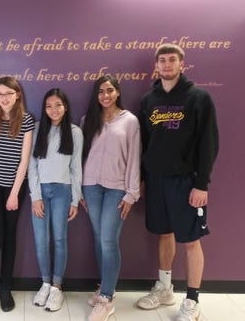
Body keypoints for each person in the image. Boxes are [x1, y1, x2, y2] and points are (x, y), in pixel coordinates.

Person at [136, 43, 219, 321]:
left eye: (172, 60)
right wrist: (144, 178)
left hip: (186, 181)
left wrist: (202, 184)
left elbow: (209, 143)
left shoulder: (198, 97)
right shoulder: (149, 100)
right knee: (164, 233)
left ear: (182, 64)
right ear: (156, 66)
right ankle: (165, 288)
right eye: (162, 60)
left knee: (192, 240)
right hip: (156, 179)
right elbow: (146, 142)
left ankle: (192, 300)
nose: (167, 64)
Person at [81, 74, 141, 321]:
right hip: (91, 188)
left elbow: (135, 157)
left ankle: (107, 297)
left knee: (108, 240)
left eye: (109, 91)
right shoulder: (88, 120)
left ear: (117, 92)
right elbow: (80, 157)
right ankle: (105, 285)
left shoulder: (130, 121)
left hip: (117, 188)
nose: (105, 96)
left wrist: (131, 194)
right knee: (98, 238)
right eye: (100, 92)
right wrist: (79, 190)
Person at [0, 76, 34, 313]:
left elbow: (24, 161)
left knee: (10, 237)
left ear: (17, 95)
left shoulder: (27, 120)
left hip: (14, 188)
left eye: (8, 94)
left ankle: (5, 288)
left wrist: (14, 193)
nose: (4, 98)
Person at [28, 88, 83, 312]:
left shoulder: (75, 132)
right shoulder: (38, 128)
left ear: (66, 106)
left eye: (58, 105)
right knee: (41, 241)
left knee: (59, 240)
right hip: (41, 191)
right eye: (49, 106)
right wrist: (35, 196)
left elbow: (76, 168)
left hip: (63, 191)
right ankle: (45, 282)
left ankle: (57, 287)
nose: (54, 110)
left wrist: (75, 200)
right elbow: (32, 166)